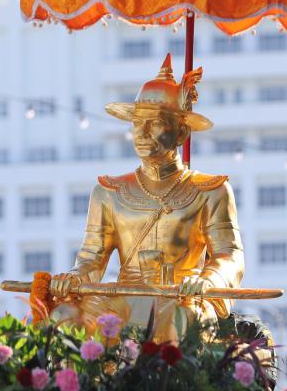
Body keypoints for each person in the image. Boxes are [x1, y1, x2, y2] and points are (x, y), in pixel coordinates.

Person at [50, 54, 244, 340]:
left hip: (181, 297)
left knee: (184, 321)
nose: (141, 133)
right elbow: (91, 258)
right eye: (137, 123)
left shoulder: (210, 191)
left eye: (154, 123)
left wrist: (207, 279)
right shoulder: (108, 192)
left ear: (181, 132)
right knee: (65, 317)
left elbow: (229, 254)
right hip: (123, 298)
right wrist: (74, 278)